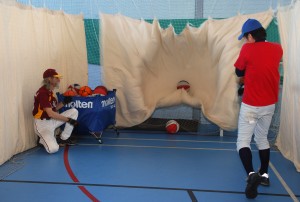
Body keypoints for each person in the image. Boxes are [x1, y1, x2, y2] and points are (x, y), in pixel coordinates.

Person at [234, 19, 283, 199]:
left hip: (251, 106)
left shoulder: (247, 49)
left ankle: (251, 174)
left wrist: (246, 72)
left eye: (246, 38)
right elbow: (264, 67)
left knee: (243, 141)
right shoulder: (277, 48)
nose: (245, 41)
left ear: (250, 36)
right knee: (262, 138)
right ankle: (264, 175)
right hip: (269, 105)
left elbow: (239, 72)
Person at [33, 68, 79, 154]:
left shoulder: (50, 91)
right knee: (53, 149)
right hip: (42, 125)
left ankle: (64, 139)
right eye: (56, 77)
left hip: (52, 121)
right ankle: (42, 140)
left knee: (74, 111)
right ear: (49, 79)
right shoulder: (43, 93)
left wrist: (64, 102)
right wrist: (69, 120)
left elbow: (54, 109)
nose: (59, 79)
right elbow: (50, 114)